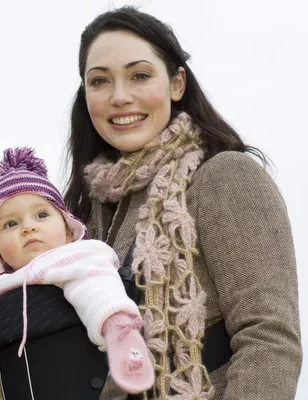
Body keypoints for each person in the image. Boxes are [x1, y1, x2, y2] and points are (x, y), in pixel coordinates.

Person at [62, 6, 301, 400]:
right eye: (100, 81)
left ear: (176, 84)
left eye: (139, 75)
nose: (120, 96)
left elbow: (269, 338)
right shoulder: (87, 216)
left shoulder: (223, 176)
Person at [0, 147, 154, 398]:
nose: (28, 227)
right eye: (11, 223)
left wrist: (116, 322)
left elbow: (97, 284)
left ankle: (121, 332)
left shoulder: (73, 258)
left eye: (41, 215)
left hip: (87, 380)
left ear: (68, 230)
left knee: (89, 280)